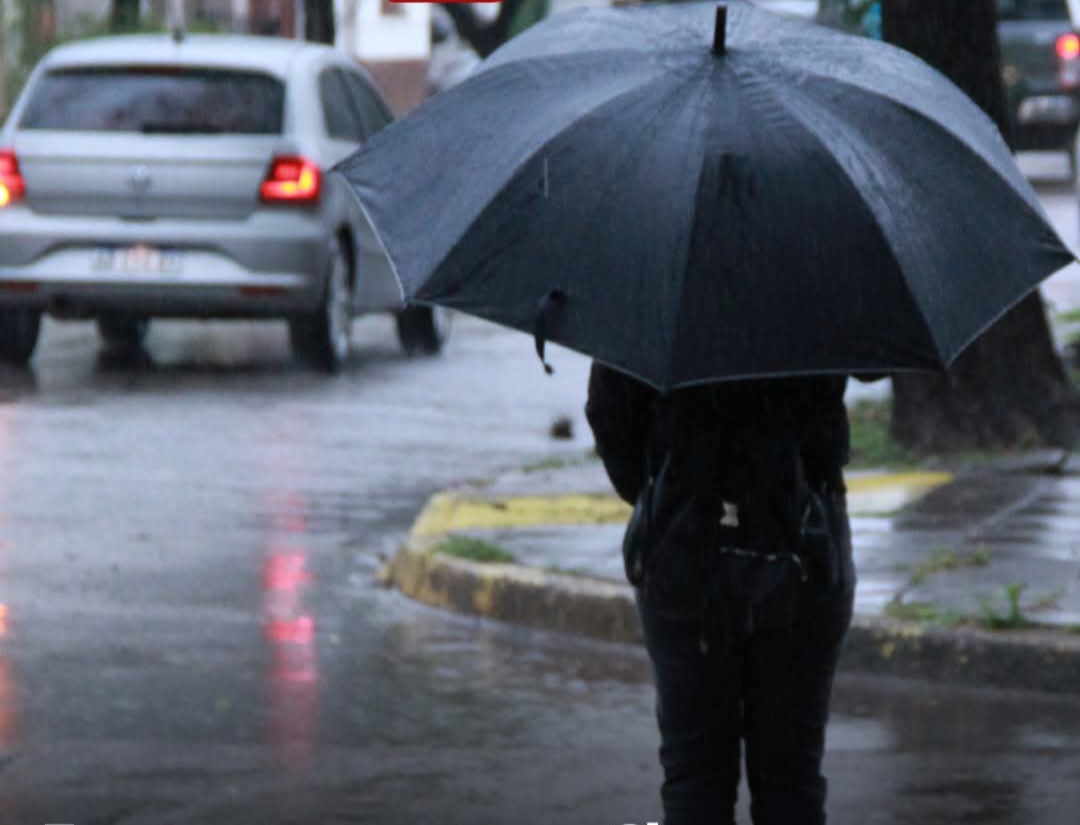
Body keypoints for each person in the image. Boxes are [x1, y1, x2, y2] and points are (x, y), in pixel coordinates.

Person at [585, 362, 857, 825]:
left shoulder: (658, 298)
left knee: (696, 783)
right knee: (792, 784)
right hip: (803, 544)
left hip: (686, 547)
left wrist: (668, 489)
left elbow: (612, 419)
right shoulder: (816, 297)